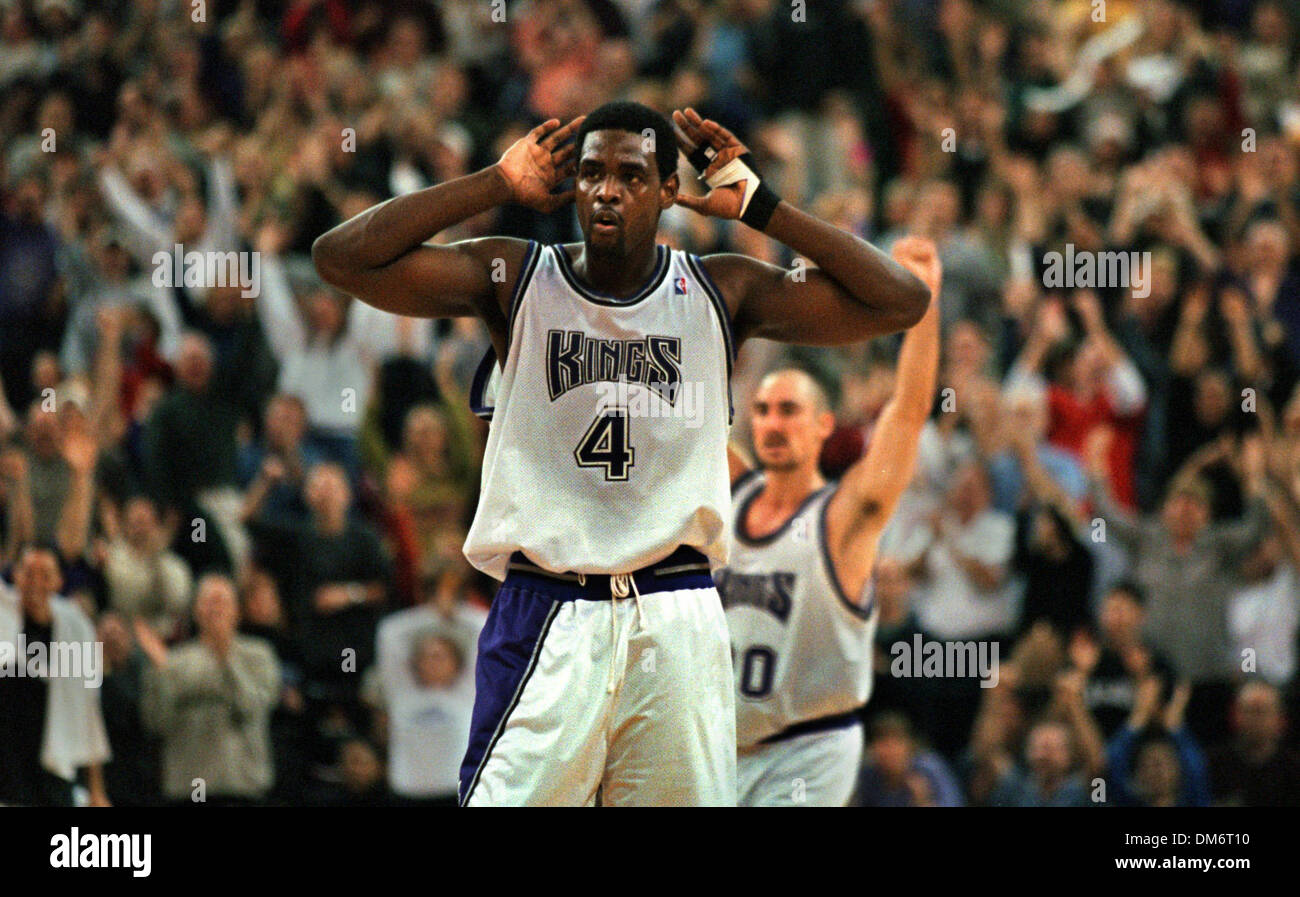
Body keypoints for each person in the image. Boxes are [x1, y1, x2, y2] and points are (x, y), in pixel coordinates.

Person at [312, 101, 929, 806]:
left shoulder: (721, 290)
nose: (608, 189)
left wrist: (763, 206)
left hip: (679, 615)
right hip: (548, 610)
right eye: (592, 172)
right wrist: (491, 184)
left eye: (632, 175)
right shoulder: (515, 277)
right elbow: (340, 258)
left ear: (670, 189)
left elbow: (900, 300)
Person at [719, 237, 941, 805]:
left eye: (789, 411)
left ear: (823, 426)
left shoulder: (842, 516)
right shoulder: (732, 490)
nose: (772, 423)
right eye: (763, 410)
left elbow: (909, 412)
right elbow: (676, 408)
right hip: (722, 745)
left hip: (809, 748)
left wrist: (924, 303)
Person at [139, 574, 280, 806]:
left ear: (237, 610)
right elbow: (156, 722)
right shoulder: (173, 661)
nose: (215, 609)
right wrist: (160, 674)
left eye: (222, 601)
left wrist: (226, 656)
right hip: (188, 788)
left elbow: (251, 709)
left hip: (243, 786)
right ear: (196, 610)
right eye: (209, 601)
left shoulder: (259, 655)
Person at [0, 543, 110, 806]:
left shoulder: (76, 627)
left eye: (45, 575)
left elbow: (89, 709)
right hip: (7, 765)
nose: (35, 582)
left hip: (54, 766)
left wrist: (96, 790)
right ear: (15, 575)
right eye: (28, 573)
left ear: (59, 581)